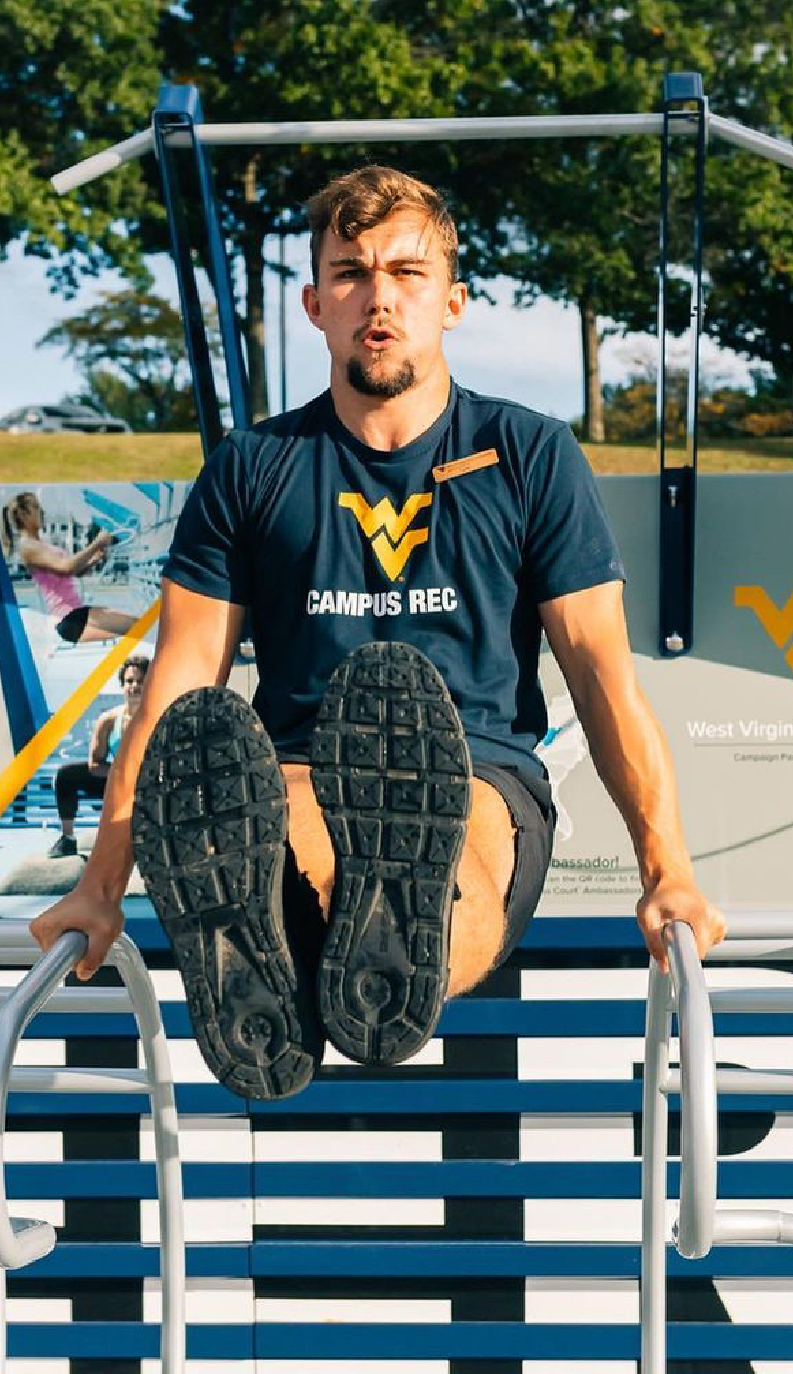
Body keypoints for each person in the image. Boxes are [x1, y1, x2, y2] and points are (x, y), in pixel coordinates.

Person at [31, 165, 724, 1100]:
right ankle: (291, 958)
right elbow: (179, 688)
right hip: (298, 768)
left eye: (407, 271)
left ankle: (373, 946)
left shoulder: (528, 455)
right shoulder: (254, 469)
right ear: (316, 304)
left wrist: (667, 871)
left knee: (452, 827)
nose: (379, 298)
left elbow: (602, 677)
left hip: (482, 772)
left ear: (454, 300)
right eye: (352, 274)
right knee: (275, 805)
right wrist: (99, 888)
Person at [1, 490, 137, 643]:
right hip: (68, 618)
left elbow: (72, 573)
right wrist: (96, 543)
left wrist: (93, 560)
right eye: (37, 508)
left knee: (139, 624)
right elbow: (67, 567)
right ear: (23, 515)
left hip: (74, 613)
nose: (43, 512)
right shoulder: (28, 547)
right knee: (138, 625)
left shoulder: (37, 545)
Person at [46, 656, 149, 859]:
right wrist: (124, 774)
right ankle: (67, 839)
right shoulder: (109, 720)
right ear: (122, 685)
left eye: (141, 681)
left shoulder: (159, 717)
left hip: (150, 784)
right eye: (129, 681)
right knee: (66, 775)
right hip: (117, 781)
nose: (134, 686)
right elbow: (95, 765)